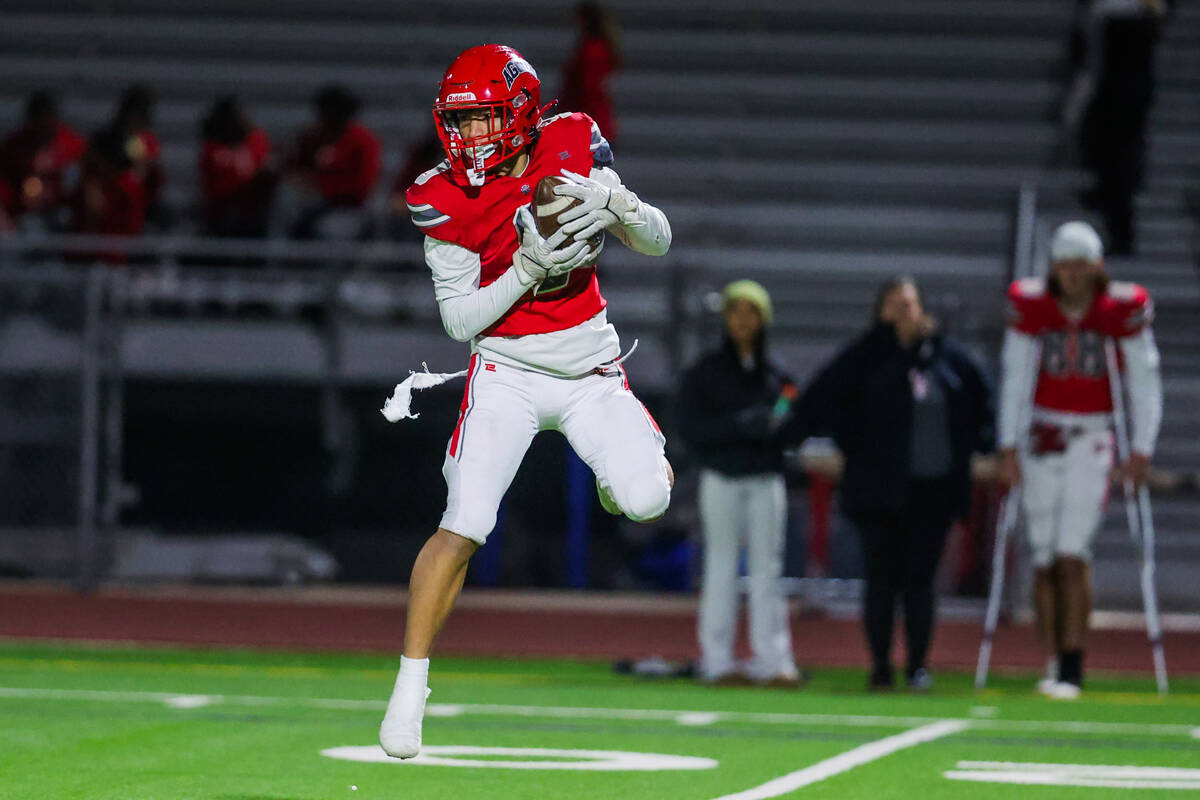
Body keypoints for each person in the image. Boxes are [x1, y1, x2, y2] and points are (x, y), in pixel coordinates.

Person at [378, 44, 673, 759]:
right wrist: (526, 270)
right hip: (505, 370)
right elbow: (459, 321)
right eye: (460, 122)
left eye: (481, 121)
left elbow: (657, 241)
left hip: (588, 366)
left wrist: (619, 203)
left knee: (646, 500)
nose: (467, 137)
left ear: (517, 112)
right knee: (465, 519)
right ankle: (409, 686)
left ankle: (617, 475)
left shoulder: (573, 139)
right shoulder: (439, 194)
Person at [793, 277, 994, 691]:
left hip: (932, 490)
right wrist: (842, 443)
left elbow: (983, 407)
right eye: (894, 305)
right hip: (877, 490)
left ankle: (919, 665)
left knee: (920, 581)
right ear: (880, 310)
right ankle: (881, 665)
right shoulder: (864, 357)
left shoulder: (948, 358)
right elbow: (821, 400)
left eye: (910, 304)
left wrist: (985, 447)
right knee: (881, 580)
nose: (903, 313)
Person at [996, 220, 1161, 699]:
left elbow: (1143, 380)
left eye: (1080, 265)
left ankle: (1072, 666)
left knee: (1072, 556)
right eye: (1063, 265)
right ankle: (1051, 662)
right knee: (1044, 558)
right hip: (1042, 433)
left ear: (1097, 268)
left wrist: (1141, 447)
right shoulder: (1032, 306)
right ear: (1053, 267)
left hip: (1092, 435)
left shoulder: (1120, 309)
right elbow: (1015, 374)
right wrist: (1009, 444)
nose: (1071, 275)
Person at [675, 280, 803, 687]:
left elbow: (788, 416)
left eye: (752, 312)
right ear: (726, 318)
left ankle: (774, 661)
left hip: (765, 480)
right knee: (721, 567)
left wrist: (778, 429)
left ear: (763, 319)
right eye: (736, 311)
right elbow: (690, 425)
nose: (744, 320)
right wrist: (741, 427)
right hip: (722, 478)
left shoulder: (779, 374)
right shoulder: (705, 372)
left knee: (769, 569)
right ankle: (717, 660)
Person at [286, 85, 381, 239]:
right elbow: (295, 168)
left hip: (349, 209)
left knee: (330, 230)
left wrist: (325, 188)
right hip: (316, 204)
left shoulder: (362, 140)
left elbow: (363, 186)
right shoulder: (315, 138)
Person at [0, 90, 86, 232]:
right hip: (22, 214)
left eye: (48, 120)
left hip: (63, 211)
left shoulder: (73, 145)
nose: (44, 127)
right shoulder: (14, 146)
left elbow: (81, 183)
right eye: (39, 121)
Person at [197, 96, 274, 238]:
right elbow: (220, 188)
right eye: (239, 116)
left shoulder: (256, 141)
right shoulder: (213, 150)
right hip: (224, 213)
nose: (245, 120)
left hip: (257, 210)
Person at [559, 3, 622, 147]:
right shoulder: (595, 47)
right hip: (594, 123)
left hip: (589, 126)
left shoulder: (592, 50)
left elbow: (588, 90)